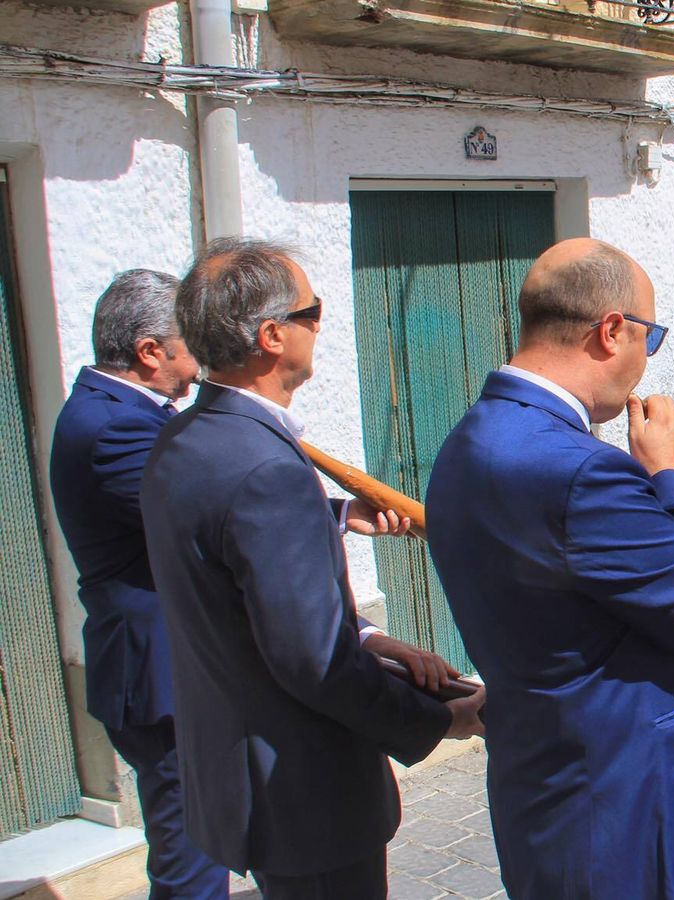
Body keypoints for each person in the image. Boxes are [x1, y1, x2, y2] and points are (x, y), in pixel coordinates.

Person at [425, 238, 674, 899]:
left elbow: (576, 575)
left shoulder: (468, 439)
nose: (645, 361)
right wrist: (667, 472)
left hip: (549, 796)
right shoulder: (585, 468)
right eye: (648, 339)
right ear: (612, 331)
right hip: (625, 810)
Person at [142, 239, 484, 898]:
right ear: (272, 336)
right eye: (313, 310)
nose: (321, 326)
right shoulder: (268, 470)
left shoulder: (184, 438)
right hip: (305, 795)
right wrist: (445, 718)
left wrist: (367, 630)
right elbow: (310, 662)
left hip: (245, 778)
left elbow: (229, 569)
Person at [48, 270, 229, 899]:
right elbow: (207, 519)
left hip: (172, 668)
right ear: (152, 352)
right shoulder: (114, 426)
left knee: (219, 830)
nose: (201, 358)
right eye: (191, 342)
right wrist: (337, 513)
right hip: (160, 676)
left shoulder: (120, 411)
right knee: (192, 860)